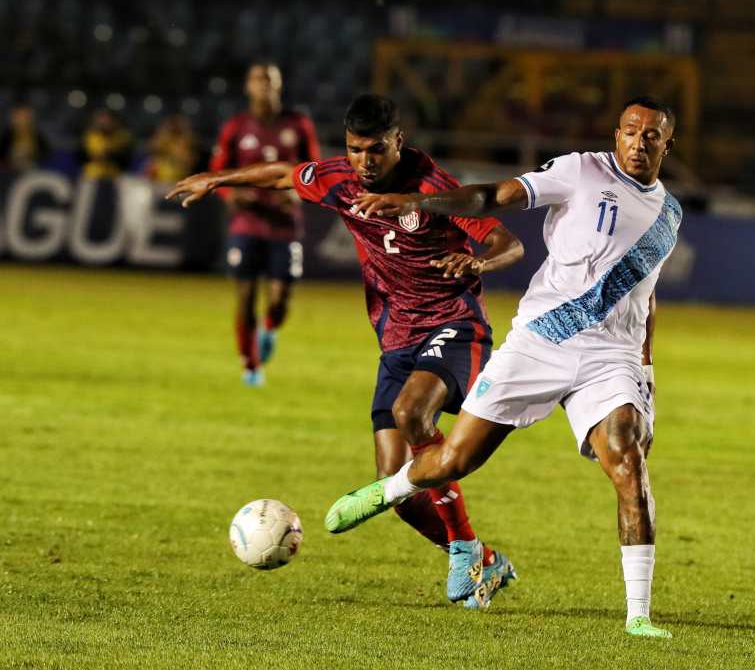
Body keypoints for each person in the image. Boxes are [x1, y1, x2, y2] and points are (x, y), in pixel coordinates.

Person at [322, 97, 681, 638]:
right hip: (541, 342)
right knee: (452, 460)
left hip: (611, 358)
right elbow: (494, 196)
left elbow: (645, 296)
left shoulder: (669, 216)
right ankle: (390, 490)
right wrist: (416, 203)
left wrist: (646, 372)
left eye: (651, 136)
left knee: (628, 464)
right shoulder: (579, 170)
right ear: (617, 134)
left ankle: (639, 616)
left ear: (665, 145)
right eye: (631, 132)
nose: (638, 143)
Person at [167, 94, 525, 609]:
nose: (365, 161)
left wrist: (478, 265)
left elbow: (507, 243)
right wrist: (217, 179)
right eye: (356, 150)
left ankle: (466, 553)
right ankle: (479, 557)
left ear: (398, 142)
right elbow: (283, 176)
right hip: (396, 340)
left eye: (376, 149)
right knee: (396, 487)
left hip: (454, 324)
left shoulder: (434, 189)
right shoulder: (341, 179)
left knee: (411, 413)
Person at [209, 62, 320, 386]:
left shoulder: (298, 124)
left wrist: (300, 195)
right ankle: (250, 364)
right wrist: (230, 195)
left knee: (280, 299)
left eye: (270, 80)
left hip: (285, 225)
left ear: (279, 85)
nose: (264, 86)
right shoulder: (237, 126)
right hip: (247, 223)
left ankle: (269, 328)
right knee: (244, 295)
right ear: (248, 86)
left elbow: (314, 168)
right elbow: (218, 170)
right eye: (258, 80)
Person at [78, 109, 133, 179]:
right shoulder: (89, 136)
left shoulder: (122, 137)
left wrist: (111, 155)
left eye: (107, 120)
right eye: (101, 120)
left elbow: (126, 160)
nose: (104, 123)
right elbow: (80, 157)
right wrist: (94, 156)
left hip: (115, 175)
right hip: (91, 174)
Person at [144, 114, 198, 184]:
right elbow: (150, 148)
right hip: (158, 180)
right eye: (171, 126)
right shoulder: (162, 139)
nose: (173, 128)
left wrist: (173, 150)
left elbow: (189, 160)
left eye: (177, 126)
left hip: (177, 180)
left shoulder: (187, 140)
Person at [0, 104, 50, 172]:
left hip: (33, 169)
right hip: (10, 170)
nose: (21, 120)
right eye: (18, 117)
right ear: (13, 119)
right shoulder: (7, 135)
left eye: (25, 117)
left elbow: (45, 153)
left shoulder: (37, 135)